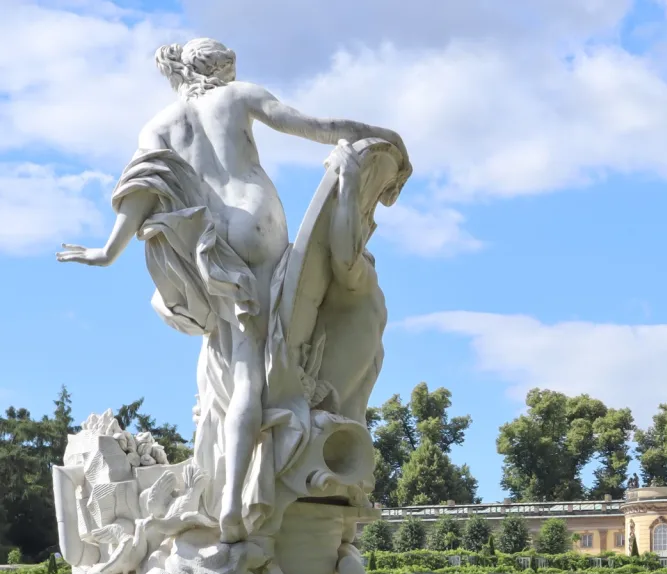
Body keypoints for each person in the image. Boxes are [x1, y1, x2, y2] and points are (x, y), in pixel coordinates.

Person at [55, 38, 410, 543]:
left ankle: (229, 502)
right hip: (257, 220)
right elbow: (315, 127)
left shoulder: (157, 127)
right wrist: (382, 137)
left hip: (208, 237)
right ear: (222, 70)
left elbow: (141, 187)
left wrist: (106, 252)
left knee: (241, 368)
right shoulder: (238, 96)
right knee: (261, 364)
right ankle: (238, 498)